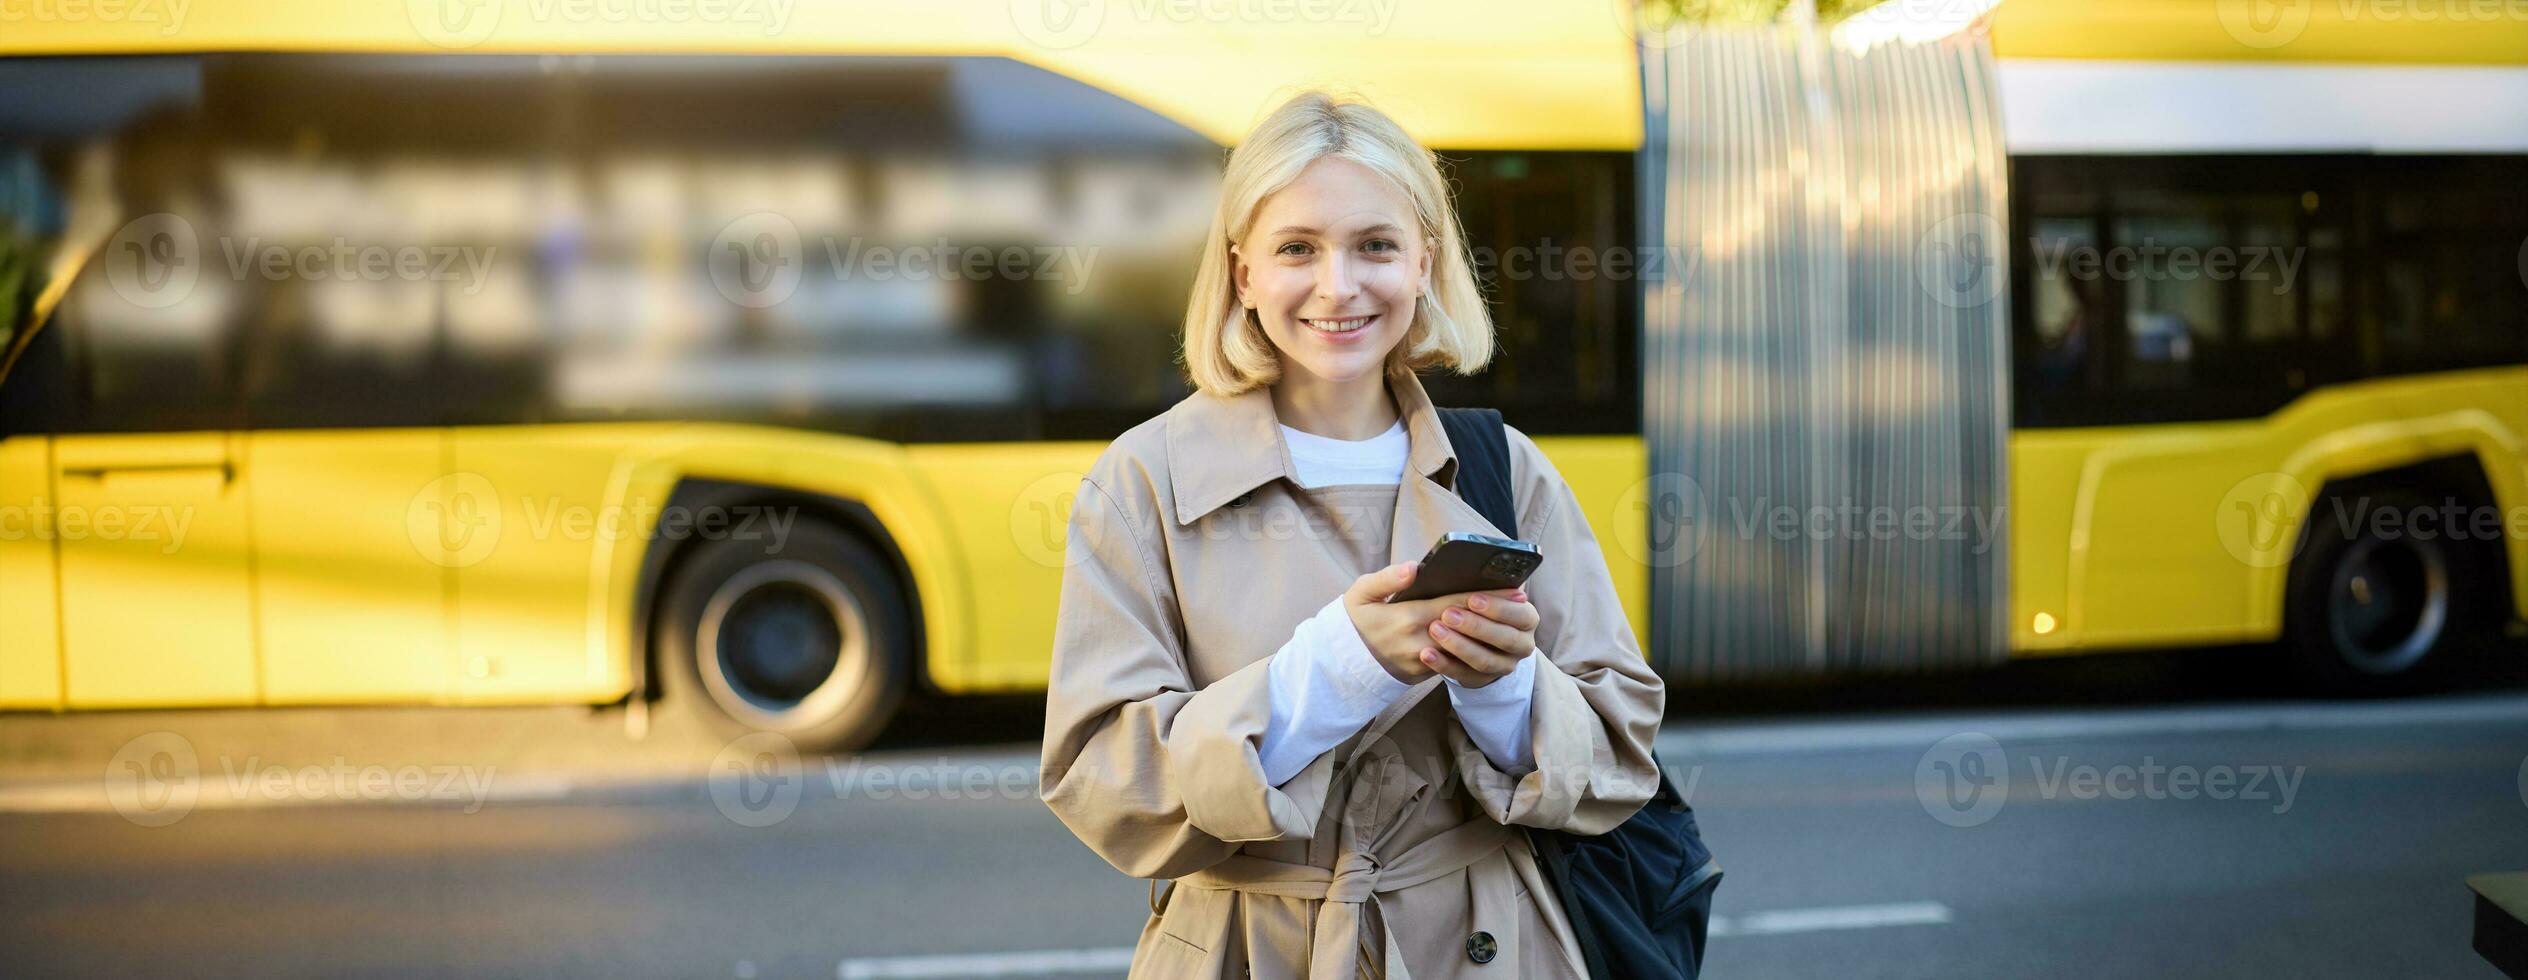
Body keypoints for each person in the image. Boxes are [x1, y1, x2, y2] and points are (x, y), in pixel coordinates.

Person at [1037, 90, 1665, 980]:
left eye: (1376, 245)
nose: (1339, 285)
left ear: (1424, 266)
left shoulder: (1509, 468)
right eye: (1297, 248)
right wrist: (1329, 671)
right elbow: (1102, 781)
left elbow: (1621, 750)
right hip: (1245, 949)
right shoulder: (1144, 479)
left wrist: (1506, 689)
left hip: (1487, 944)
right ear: (1243, 272)